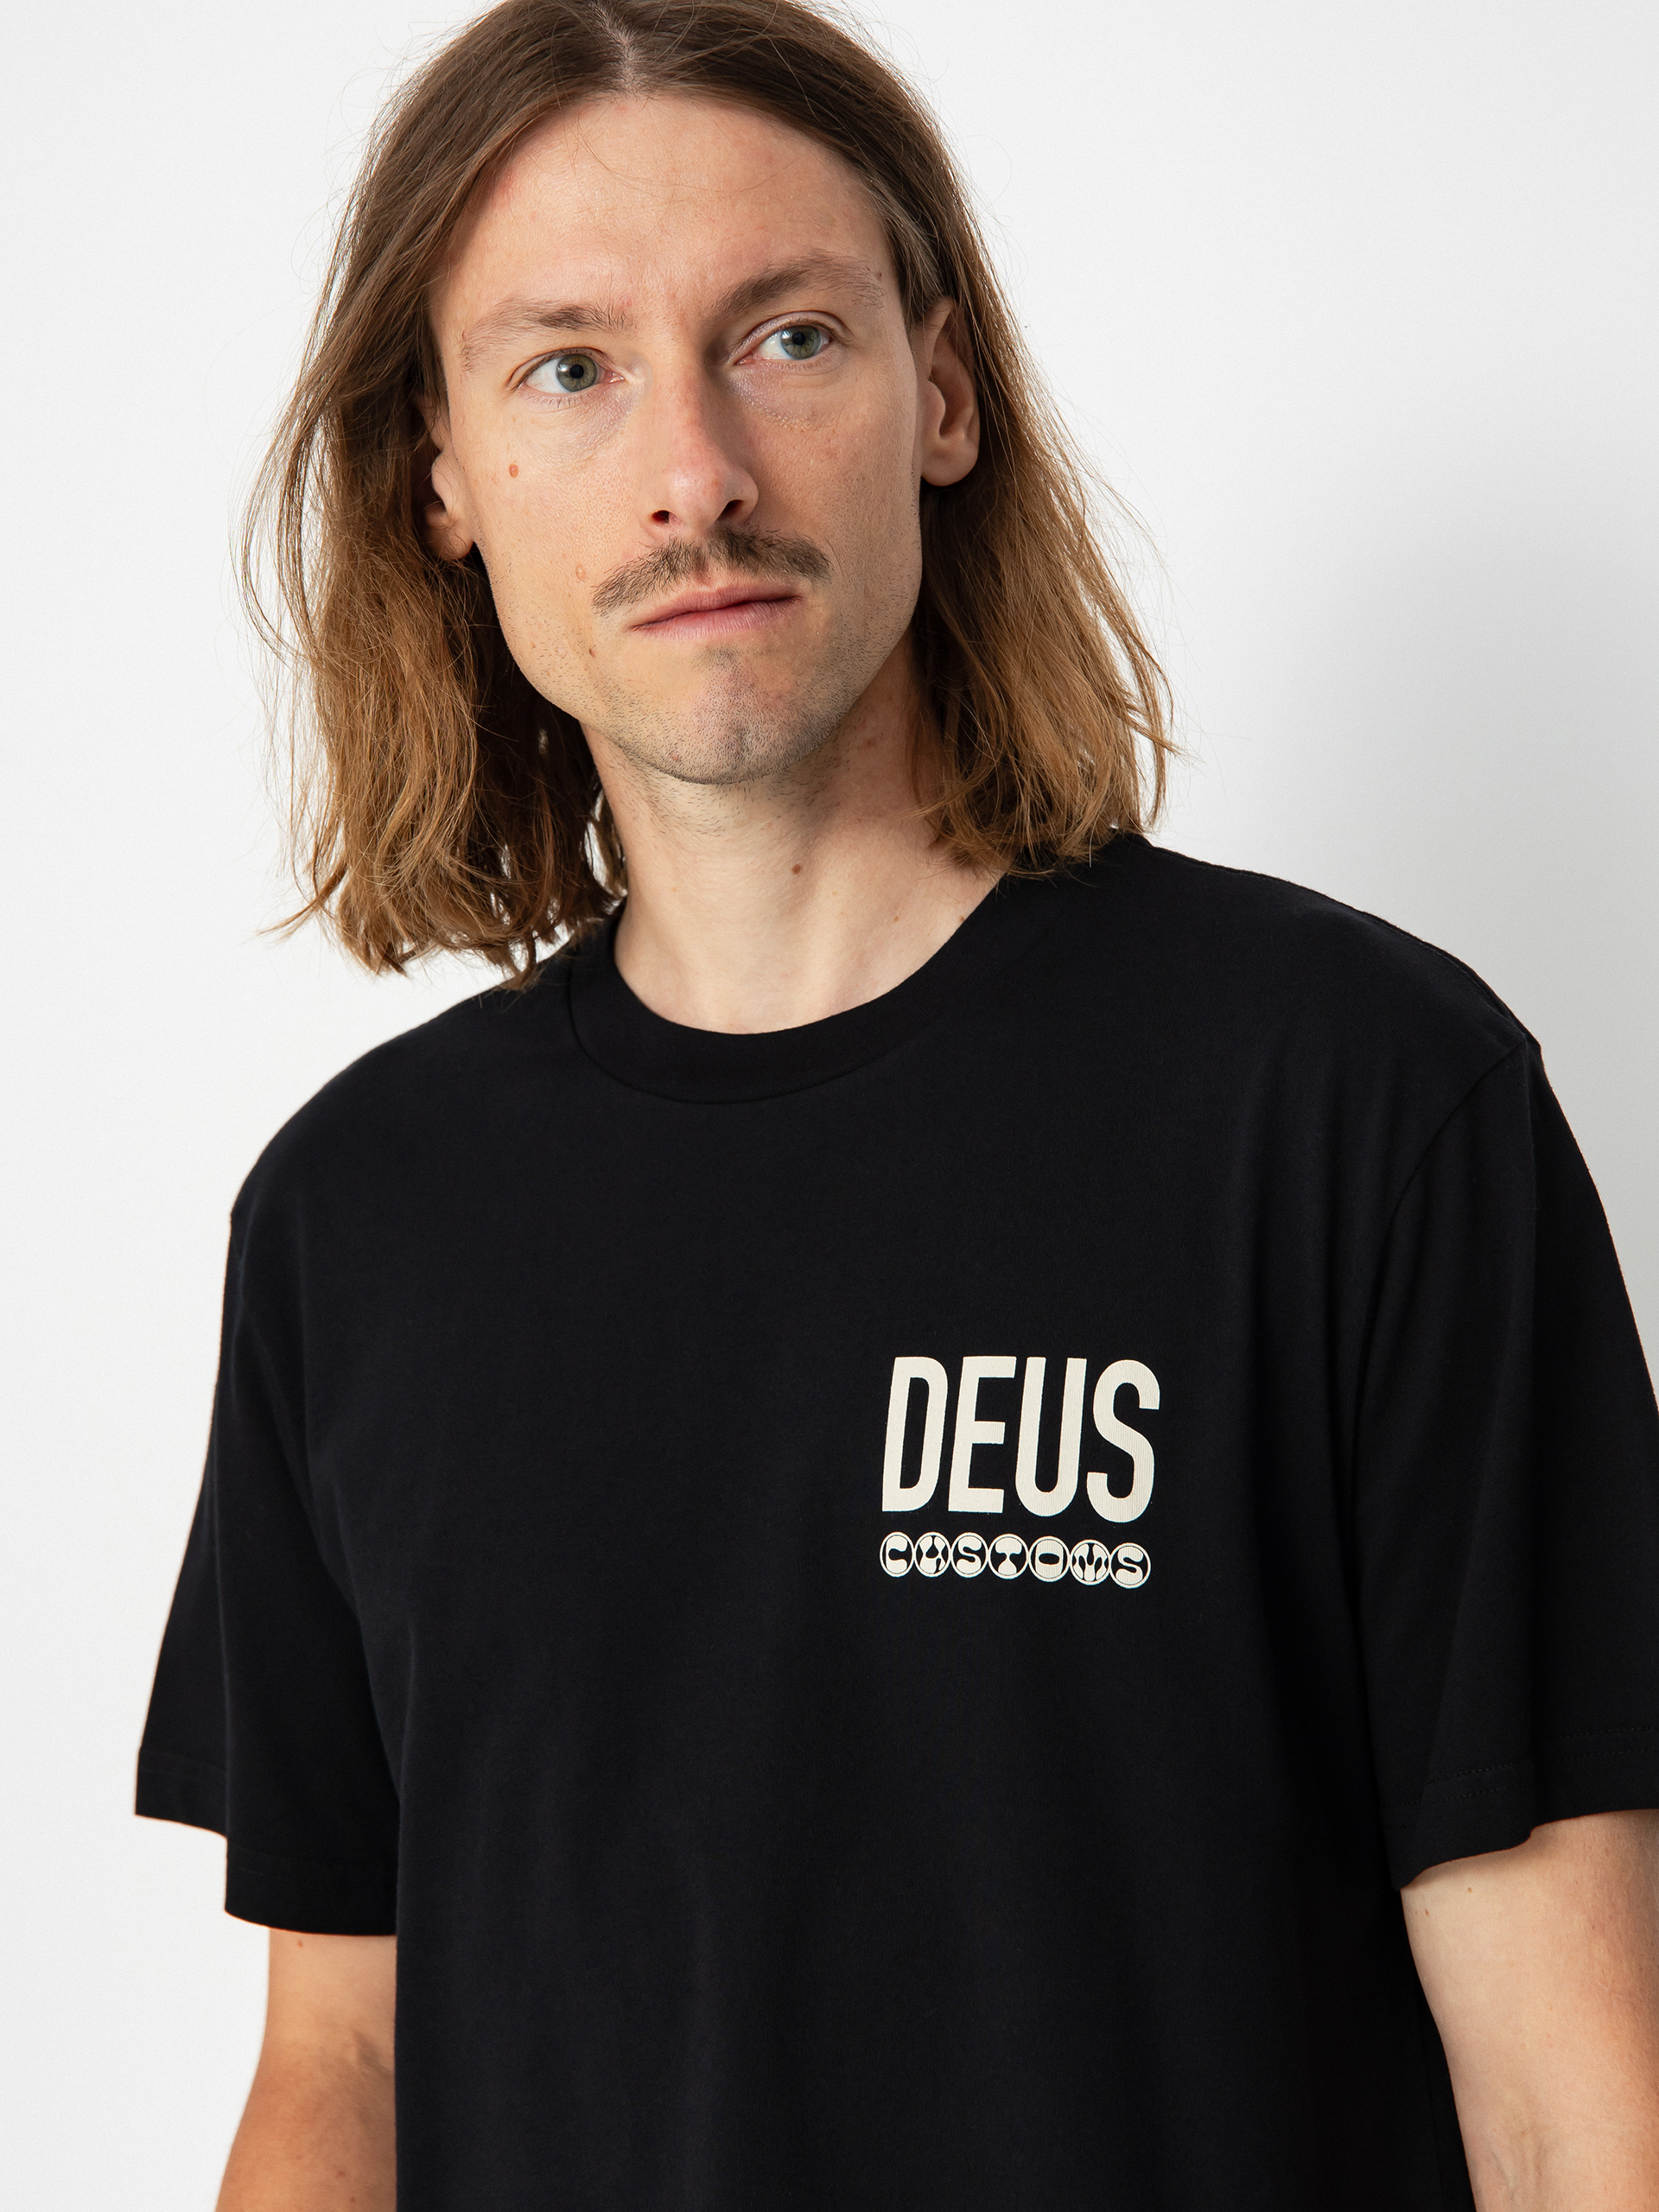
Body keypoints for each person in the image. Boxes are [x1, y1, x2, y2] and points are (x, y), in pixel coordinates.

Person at [137, 2, 1659, 2205]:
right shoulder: (352, 1220)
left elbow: (1574, 2099)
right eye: (568, 366)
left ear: (941, 394)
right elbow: (342, 2063)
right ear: (440, 476)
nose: (693, 473)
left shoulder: (1362, 1107)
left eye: (786, 338)